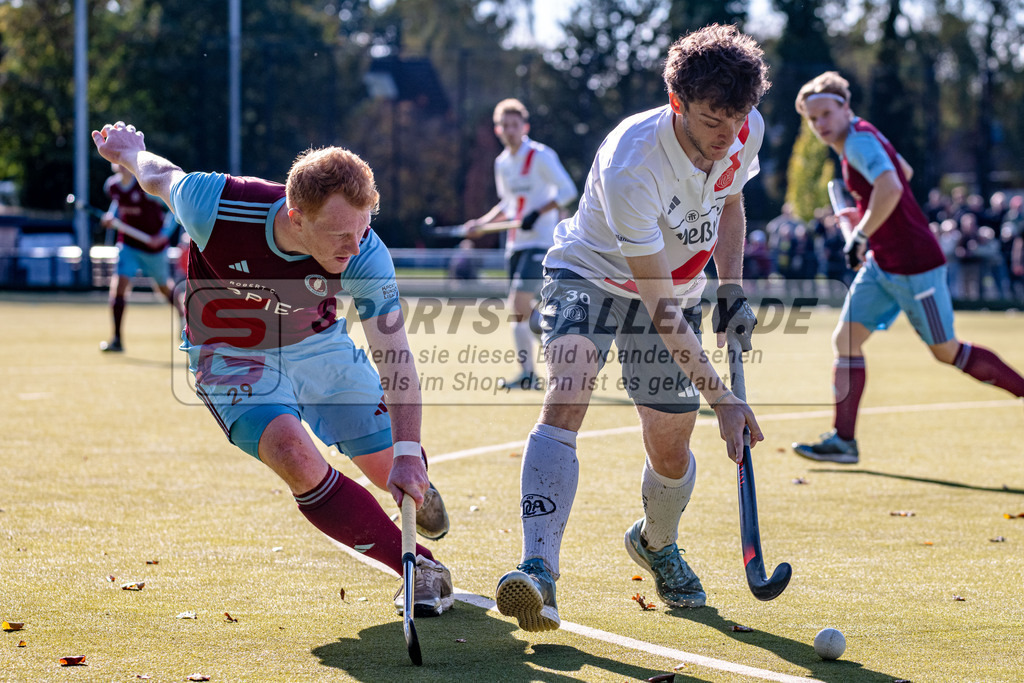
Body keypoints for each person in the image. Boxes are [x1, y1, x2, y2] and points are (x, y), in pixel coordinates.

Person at [91, 121, 454, 616]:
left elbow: (395, 355)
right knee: (292, 455)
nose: (354, 246)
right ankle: (421, 568)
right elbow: (159, 176)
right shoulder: (215, 205)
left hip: (319, 346)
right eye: (340, 234)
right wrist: (131, 152)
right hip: (229, 351)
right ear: (296, 217)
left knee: (390, 464)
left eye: (363, 228)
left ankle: (417, 479)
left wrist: (409, 453)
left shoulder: (366, 253)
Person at [493, 24, 768, 633]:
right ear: (677, 103)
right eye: (712, 120)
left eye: (737, 119)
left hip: (679, 285)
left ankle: (656, 542)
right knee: (568, 388)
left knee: (670, 447)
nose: (727, 135)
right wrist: (722, 397)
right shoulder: (634, 162)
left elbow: (730, 201)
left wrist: (730, 290)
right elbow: (659, 307)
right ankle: (539, 568)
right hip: (591, 272)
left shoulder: (744, 130)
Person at [792, 71, 1024, 464]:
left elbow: (893, 185)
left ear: (846, 108)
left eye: (826, 114)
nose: (820, 124)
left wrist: (861, 232)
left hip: (916, 266)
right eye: (813, 119)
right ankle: (843, 442)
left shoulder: (858, 141)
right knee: (845, 341)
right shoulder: (862, 136)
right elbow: (904, 171)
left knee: (946, 351)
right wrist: (867, 215)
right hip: (883, 264)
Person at [463, 98, 578, 390]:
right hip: (515, 245)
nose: (510, 130)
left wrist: (537, 213)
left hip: (540, 242)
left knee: (519, 304)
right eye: (505, 125)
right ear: (497, 129)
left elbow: (567, 191)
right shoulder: (502, 163)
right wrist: (482, 223)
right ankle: (533, 369)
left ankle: (553, 353)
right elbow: (508, 204)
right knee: (520, 313)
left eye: (515, 125)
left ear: (524, 127)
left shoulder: (541, 155)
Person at [99, 162, 183, 352]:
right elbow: (118, 202)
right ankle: (117, 340)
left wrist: (163, 236)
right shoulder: (112, 186)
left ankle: (182, 313)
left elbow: (174, 209)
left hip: (154, 248)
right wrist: (111, 217)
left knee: (163, 288)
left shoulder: (146, 186)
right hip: (128, 245)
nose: (122, 165)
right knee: (119, 286)